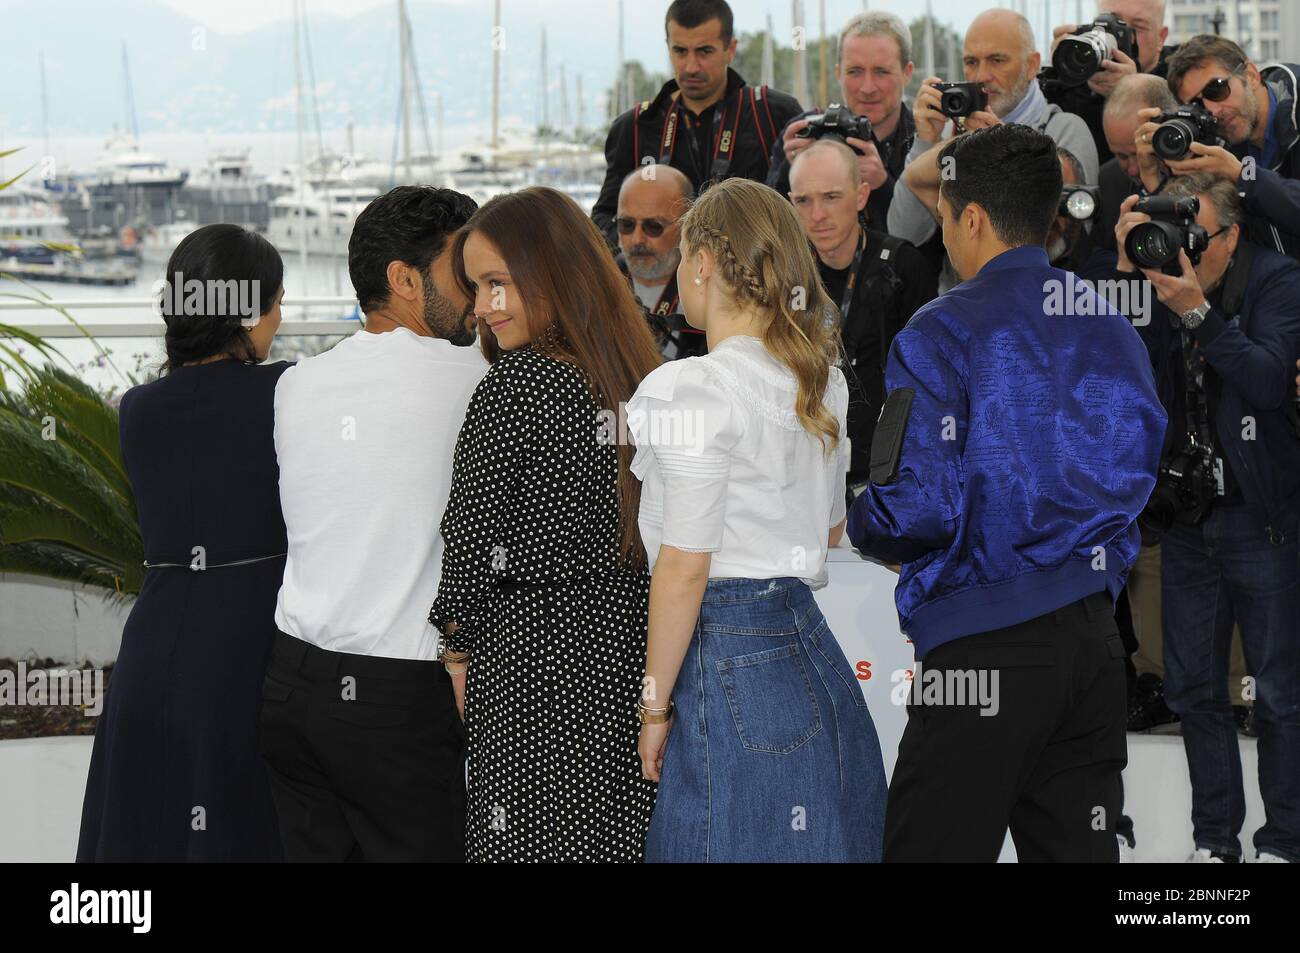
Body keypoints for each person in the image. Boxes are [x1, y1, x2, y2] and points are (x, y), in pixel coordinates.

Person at [849, 124, 1166, 862]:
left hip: (979, 647)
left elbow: (915, 505)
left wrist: (860, 519)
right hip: (1092, 639)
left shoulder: (942, 327)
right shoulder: (1108, 318)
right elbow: (1141, 464)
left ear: (972, 218)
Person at [631, 176, 887, 863]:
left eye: (684, 255)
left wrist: (653, 708)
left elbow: (684, 566)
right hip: (811, 655)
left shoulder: (692, 388)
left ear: (705, 264)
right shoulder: (818, 380)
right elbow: (831, 530)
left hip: (728, 661)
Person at [428, 186, 664, 862]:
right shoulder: (634, 374)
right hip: (622, 653)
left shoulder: (517, 385)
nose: (483, 307)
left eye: (498, 283)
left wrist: (456, 651)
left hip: (531, 664)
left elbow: (469, 536)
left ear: (551, 269)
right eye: (477, 288)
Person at [258, 186, 483, 862]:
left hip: (291, 681)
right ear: (404, 280)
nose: (478, 291)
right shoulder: (474, 377)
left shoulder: (297, 381)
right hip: (396, 694)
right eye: (462, 270)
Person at [77, 224, 289, 862]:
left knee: (146, 828)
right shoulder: (284, 394)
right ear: (249, 312)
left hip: (155, 641)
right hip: (250, 644)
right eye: (278, 301)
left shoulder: (138, 409)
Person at [1114, 172, 1300, 863]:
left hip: (1263, 518)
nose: (1185, 248)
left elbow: (1267, 378)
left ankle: (1282, 842)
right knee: (1194, 691)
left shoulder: (1278, 280)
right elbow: (1116, 362)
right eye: (1173, 231)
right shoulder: (1155, 281)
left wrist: (1199, 311)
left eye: (1198, 233)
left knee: (1280, 694)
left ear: (1232, 232)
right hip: (1186, 520)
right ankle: (1213, 842)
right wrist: (1128, 264)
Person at [888, 8, 1099, 289]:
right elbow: (903, 233)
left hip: (1039, 310)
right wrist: (926, 142)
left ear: (1033, 64)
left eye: (997, 60)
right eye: (971, 62)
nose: (982, 75)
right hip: (961, 313)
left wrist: (998, 146)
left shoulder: (1064, 129)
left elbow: (1058, 244)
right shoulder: (950, 133)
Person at [787, 138, 936, 497]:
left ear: (861, 196)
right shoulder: (783, 274)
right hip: (803, 472)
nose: (817, 215)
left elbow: (926, 384)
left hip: (883, 475)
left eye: (831, 197)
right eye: (803, 201)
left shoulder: (902, 266)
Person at [591, 0, 802, 251]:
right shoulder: (635, 126)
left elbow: (804, 205)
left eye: (704, 51)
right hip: (660, 287)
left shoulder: (773, 113)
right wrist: (648, 250)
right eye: (680, 51)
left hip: (754, 281)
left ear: (731, 49)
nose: (691, 66)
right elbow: (603, 220)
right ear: (668, 48)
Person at [767, 9, 916, 229]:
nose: (867, 88)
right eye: (854, 72)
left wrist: (884, 185)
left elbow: (934, 243)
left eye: (881, 72)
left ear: (907, 72)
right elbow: (769, 227)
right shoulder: (804, 132)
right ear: (838, 73)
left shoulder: (925, 142)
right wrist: (790, 169)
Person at [1162, 35, 1300, 261]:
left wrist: (1242, 176)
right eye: (1197, 106)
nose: (1213, 111)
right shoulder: (1214, 146)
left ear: (1251, 76)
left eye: (1216, 90)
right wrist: (1155, 176)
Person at [1042, 0, 1177, 165]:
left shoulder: (1181, 75)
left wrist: (1131, 89)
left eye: (1138, 27)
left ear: (1161, 38)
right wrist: (1062, 65)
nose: (1124, 36)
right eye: (1111, 23)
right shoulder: (1081, 68)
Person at [614, 165, 705, 359]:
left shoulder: (715, 291)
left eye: (653, 226)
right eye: (626, 225)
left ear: (686, 226)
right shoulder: (596, 283)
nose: (637, 239)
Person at [1094, 73, 1179, 251]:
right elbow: (1096, 265)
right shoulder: (1109, 181)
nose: (1133, 169)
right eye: (1121, 156)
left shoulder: (1207, 176)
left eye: (1140, 152)